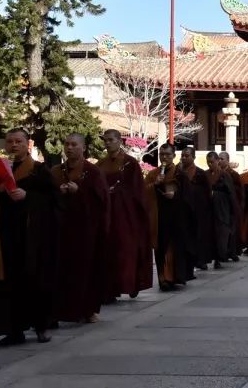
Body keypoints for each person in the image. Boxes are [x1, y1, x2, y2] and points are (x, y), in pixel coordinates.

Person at [0, 128, 56, 346]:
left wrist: (28, 196)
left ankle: (41, 326)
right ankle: (13, 331)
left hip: (33, 237)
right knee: (7, 283)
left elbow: (55, 200)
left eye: (18, 141)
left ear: (28, 144)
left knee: (35, 280)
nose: (14, 145)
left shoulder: (40, 170)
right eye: (10, 141)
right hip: (6, 235)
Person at [52, 134, 110, 324]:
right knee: (61, 269)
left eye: (74, 144)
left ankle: (87, 310)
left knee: (86, 270)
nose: (69, 148)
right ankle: (62, 310)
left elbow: (102, 200)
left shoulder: (93, 172)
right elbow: (47, 198)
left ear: (83, 148)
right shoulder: (56, 171)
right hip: (61, 228)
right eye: (67, 144)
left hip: (87, 229)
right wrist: (59, 193)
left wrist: (80, 191)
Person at [97, 130, 151, 300]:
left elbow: (137, 190)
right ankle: (109, 289)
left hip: (125, 213)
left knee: (125, 249)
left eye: (111, 140)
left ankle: (128, 283)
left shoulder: (130, 163)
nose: (107, 143)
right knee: (107, 250)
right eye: (105, 140)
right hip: (106, 212)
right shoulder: (100, 164)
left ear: (120, 141)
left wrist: (118, 192)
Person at [146, 143, 191, 291]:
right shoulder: (153, 174)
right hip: (159, 216)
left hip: (176, 216)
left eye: (168, 155)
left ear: (174, 156)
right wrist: (155, 184)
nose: (164, 157)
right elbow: (142, 192)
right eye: (162, 155)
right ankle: (163, 279)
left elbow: (189, 196)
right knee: (161, 248)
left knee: (175, 248)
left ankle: (175, 277)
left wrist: (175, 195)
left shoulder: (180, 174)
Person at [178, 147, 214, 270]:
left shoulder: (200, 173)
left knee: (199, 236)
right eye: (182, 155)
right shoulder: (177, 172)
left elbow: (207, 192)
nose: (183, 158)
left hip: (198, 211)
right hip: (181, 210)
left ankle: (200, 260)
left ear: (193, 157)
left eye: (186, 156)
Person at [207, 151, 238, 269]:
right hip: (209, 210)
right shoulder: (205, 174)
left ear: (217, 161)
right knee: (210, 235)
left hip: (222, 209)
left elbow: (231, 192)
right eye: (208, 162)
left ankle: (220, 257)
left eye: (213, 162)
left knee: (221, 235)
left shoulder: (225, 175)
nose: (210, 165)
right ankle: (210, 258)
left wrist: (232, 210)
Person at [218, 151, 244, 262]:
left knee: (232, 231)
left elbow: (240, 191)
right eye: (218, 158)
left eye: (222, 159)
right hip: (220, 207)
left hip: (232, 206)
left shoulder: (233, 174)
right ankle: (221, 254)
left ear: (227, 160)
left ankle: (232, 252)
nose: (219, 161)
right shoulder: (215, 173)